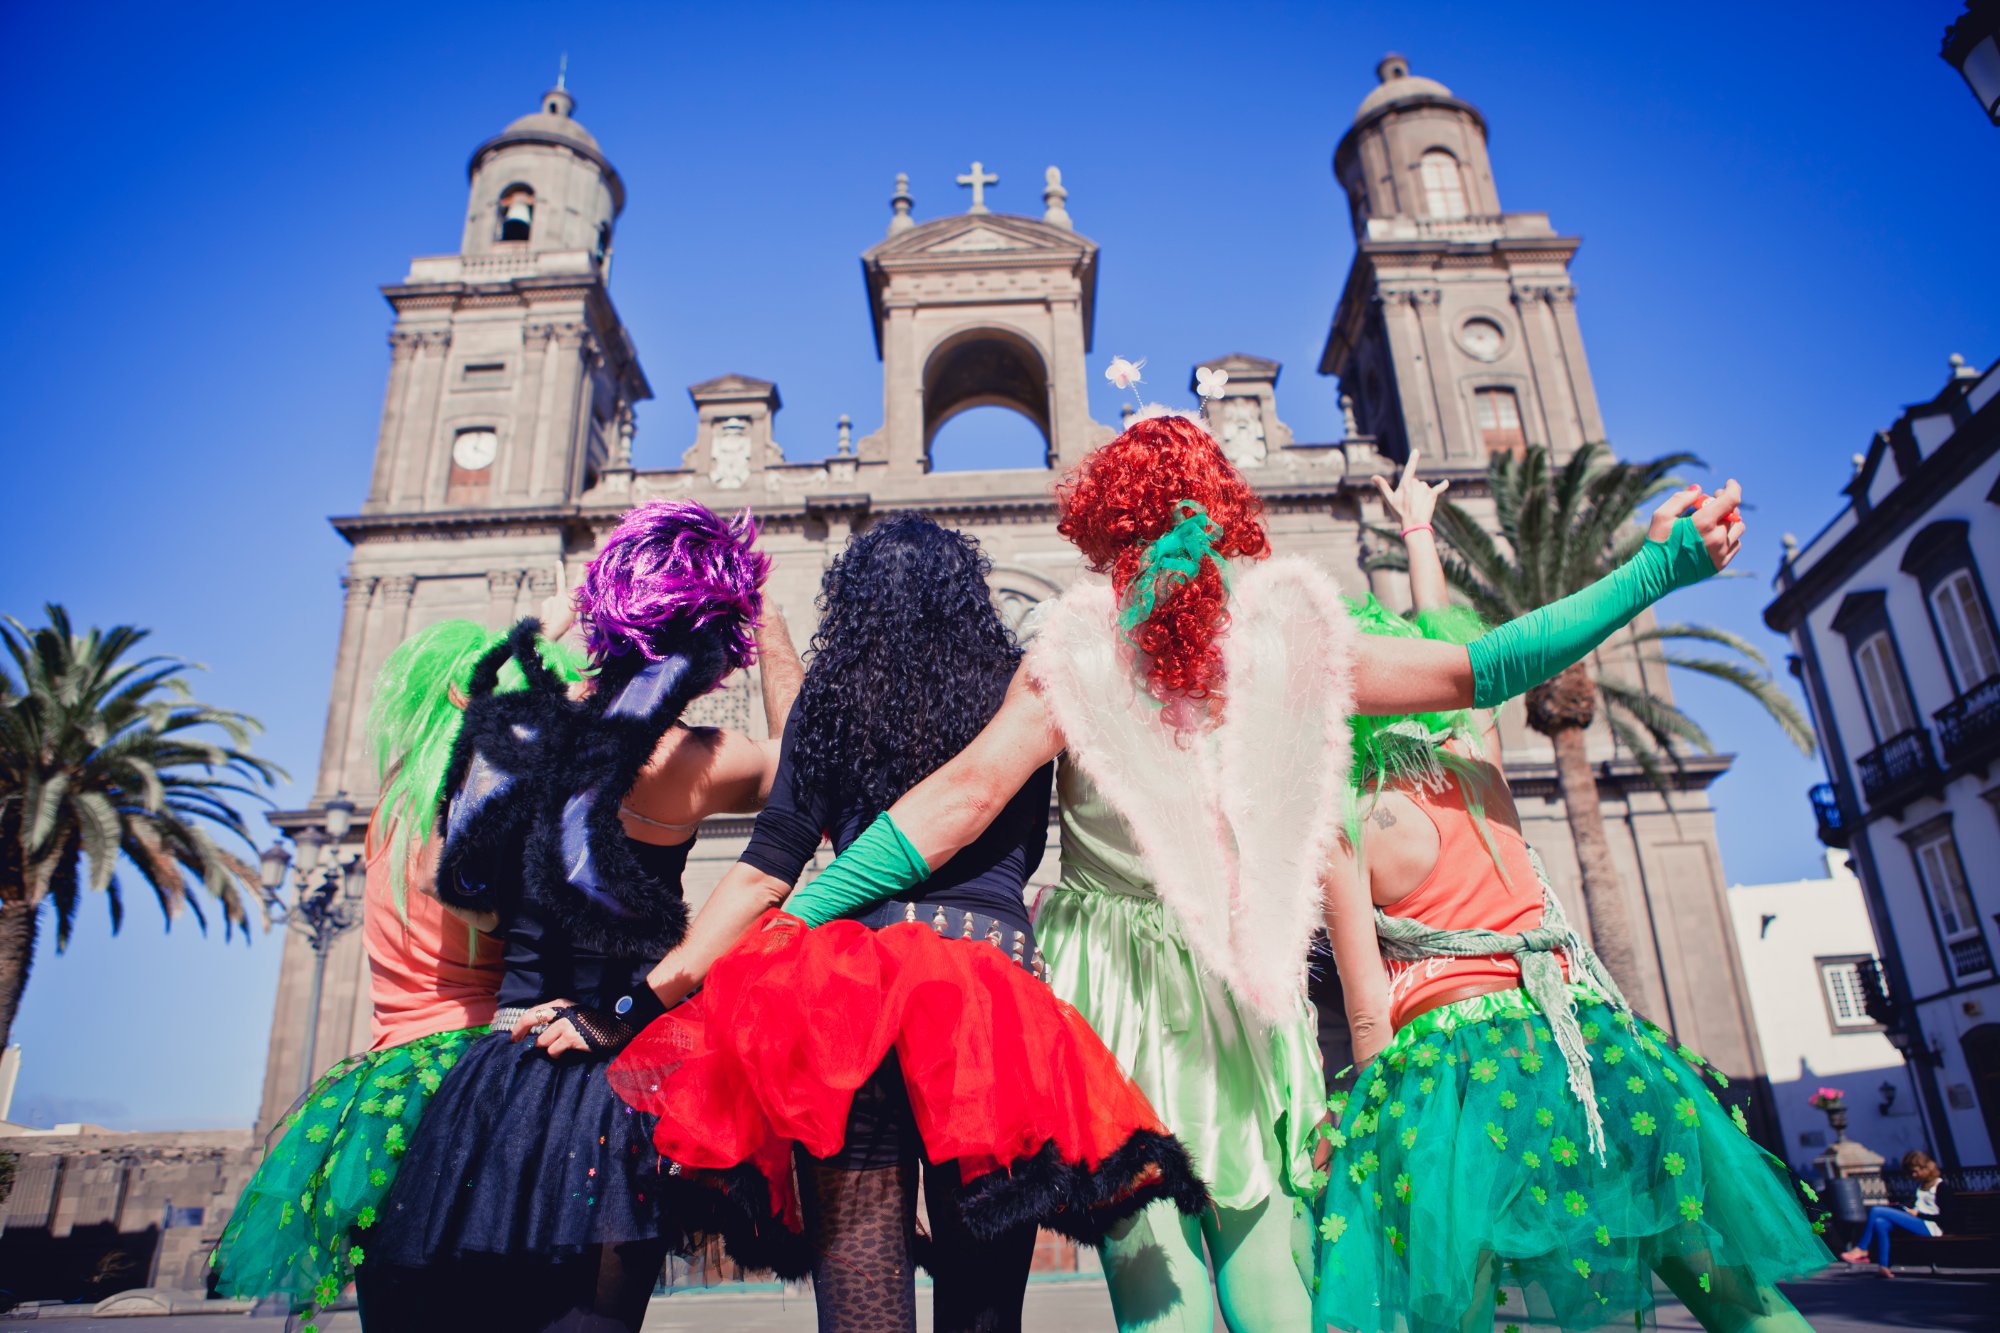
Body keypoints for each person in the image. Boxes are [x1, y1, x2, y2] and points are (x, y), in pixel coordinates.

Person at [731, 403, 1749, 1333]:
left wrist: (802, 910)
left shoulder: (1130, 653)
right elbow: (1478, 667)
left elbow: (957, 802)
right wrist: (1649, 575)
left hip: (1162, 993)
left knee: (1181, 1282)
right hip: (1179, 991)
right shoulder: (1200, 652)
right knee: (1237, 1275)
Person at [596, 511, 1206, 1333]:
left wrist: (650, 995)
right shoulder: (1023, 686)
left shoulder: (832, 697)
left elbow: (765, 868)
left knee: (862, 1308)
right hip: (985, 996)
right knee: (985, 1309)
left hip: (840, 996)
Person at [1309, 454, 1829, 1333]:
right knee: (1721, 1281)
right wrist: (1419, 532)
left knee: (1456, 1301)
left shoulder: (1341, 822)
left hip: (1452, 1071)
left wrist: (1363, 1115)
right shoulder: (1475, 744)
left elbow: (1366, 1013)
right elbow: (1453, 644)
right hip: (1582, 1039)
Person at [364, 500, 807, 1333]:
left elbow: (472, 687)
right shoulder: (697, 762)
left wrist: (565, 610)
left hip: (497, 1070)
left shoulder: (516, 722)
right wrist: (769, 626)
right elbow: (803, 768)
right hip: (615, 1079)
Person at [210, 620, 585, 1331]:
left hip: (385, 1088)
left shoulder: (394, 809)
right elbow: (455, 885)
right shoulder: (474, 807)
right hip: (474, 1077)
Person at [1841, 1150, 1948, 1272]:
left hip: (1931, 1227)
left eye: (1915, 1171)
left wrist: (1918, 1214)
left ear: (1925, 1168)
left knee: (1876, 1210)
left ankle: (1862, 1248)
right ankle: (1883, 1266)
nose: (1914, 1175)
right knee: (1880, 1222)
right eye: (1911, 1173)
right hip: (1917, 1221)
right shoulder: (1920, 1187)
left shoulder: (1941, 1187)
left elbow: (1945, 1217)